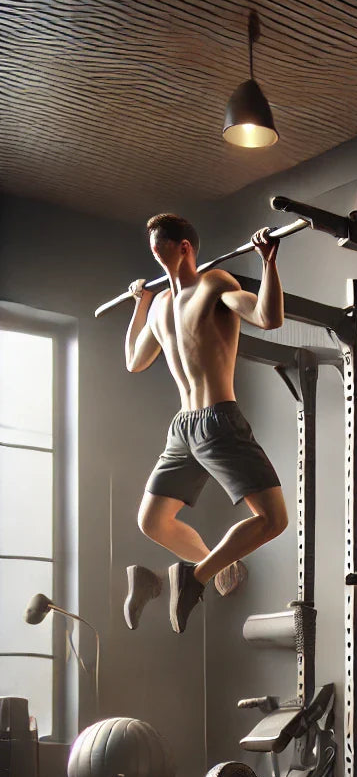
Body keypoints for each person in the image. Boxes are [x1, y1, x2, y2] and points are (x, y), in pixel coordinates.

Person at [122, 213, 288, 633]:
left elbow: (267, 316)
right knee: (273, 520)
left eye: (161, 248)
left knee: (153, 521)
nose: (157, 255)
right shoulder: (174, 299)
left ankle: (169, 578)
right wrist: (140, 305)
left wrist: (268, 263)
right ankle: (195, 576)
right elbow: (134, 361)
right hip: (213, 422)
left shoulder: (207, 287)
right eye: (153, 250)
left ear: (184, 247)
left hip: (185, 426)